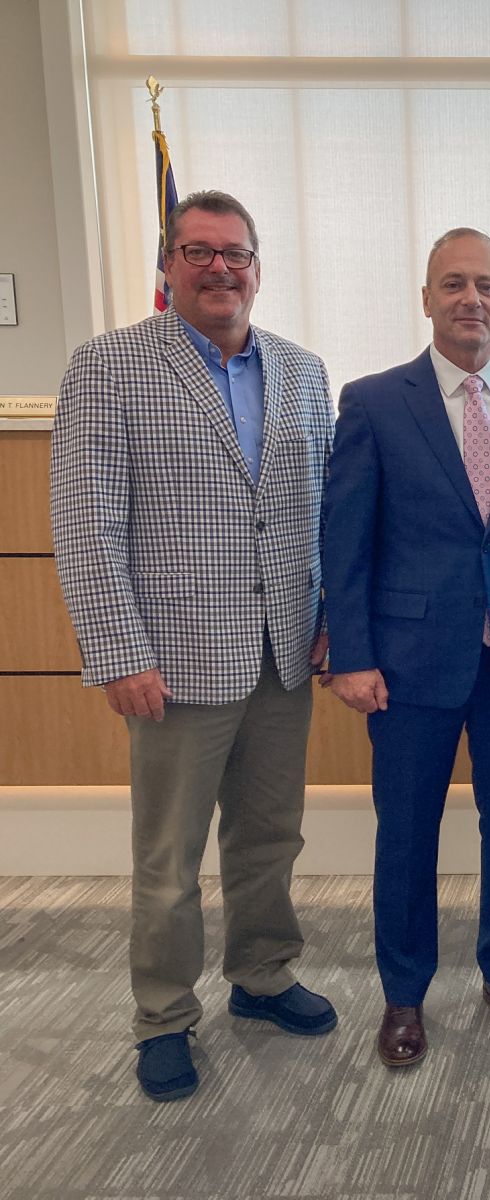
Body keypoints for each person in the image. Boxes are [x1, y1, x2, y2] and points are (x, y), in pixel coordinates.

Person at [50, 190, 337, 1103]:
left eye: (237, 254)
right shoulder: (108, 367)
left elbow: (317, 511)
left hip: (282, 649)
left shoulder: (302, 370)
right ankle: (165, 1014)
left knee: (269, 836)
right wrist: (116, 647)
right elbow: (86, 520)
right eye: (199, 251)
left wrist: (330, 616)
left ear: (259, 267)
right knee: (168, 859)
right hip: (172, 659)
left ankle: (261, 975)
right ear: (169, 264)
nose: (220, 268)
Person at [323, 228, 490, 1069]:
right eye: (454, 284)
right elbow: (347, 541)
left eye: (487, 287)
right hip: (406, 662)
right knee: (406, 832)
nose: (471, 299)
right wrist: (352, 654)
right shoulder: (373, 401)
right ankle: (404, 995)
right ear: (427, 297)